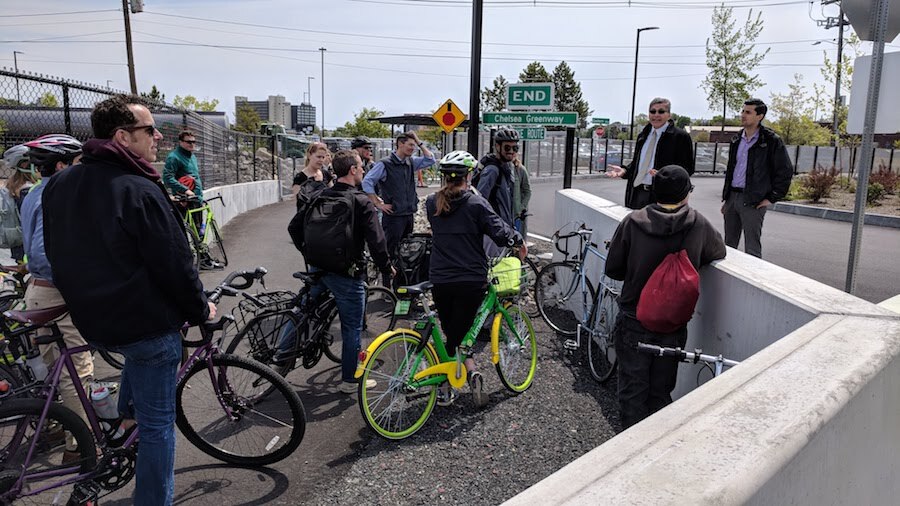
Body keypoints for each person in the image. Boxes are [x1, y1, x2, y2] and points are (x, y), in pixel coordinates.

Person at [42, 95, 215, 506]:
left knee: (138, 387)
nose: (158, 137)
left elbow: (55, 251)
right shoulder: (139, 188)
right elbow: (175, 264)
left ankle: (121, 433)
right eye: (149, 130)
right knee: (159, 426)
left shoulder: (61, 183)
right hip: (145, 324)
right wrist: (200, 309)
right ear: (122, 136)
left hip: (94, 321)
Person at [605, 165, 726, 430]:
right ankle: (653, 449)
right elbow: (718, 252)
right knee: (660, 393)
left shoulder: (633, 222)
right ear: (686, 194)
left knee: (632, 392)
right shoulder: (698, 223)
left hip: (634, 317)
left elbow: (612, 269)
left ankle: (628, 451)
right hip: (672, 323)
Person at [425, 150, 526, 408]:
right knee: (459, 335)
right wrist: (519, 241)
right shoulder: (475, 204)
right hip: (470, 279)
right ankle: (449, 381)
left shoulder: (430, 202)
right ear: (468, 176)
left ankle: (463, 375)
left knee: (455, 332)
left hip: (440, 278)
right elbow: (500, 231)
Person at [19, 134, 97, 464]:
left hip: (37, 291)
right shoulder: (56, 194)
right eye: (77, 163)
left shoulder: (33, 193)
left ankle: (52, 425)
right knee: (77, 370)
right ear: (63, 165)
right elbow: (42, 252)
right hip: (58, 290)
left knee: (50, 366)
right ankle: (79, 445)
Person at [302, 149, 394, 393]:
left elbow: (294, 226)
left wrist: (309, 254)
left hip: (317, 265)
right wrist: (386, 267)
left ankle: (280, 354)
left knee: (302, 307)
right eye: (361, 167)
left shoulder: (321, 195)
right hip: (345, 272)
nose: (363, 170)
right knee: (352, 326)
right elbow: (377, 241)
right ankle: (350, 380)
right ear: (353, 170)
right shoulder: (361, 200)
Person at [721, 98, 793, 258]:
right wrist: (727, 199)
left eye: (748, 112)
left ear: (760, 116)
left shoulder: (770, 141)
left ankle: (752, 281)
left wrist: (772, 198)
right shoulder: (737, 139)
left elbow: (785, 170)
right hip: (733, 198)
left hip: (754, 201)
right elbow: (732, 169)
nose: (743, 115)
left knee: (752, 250)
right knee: (728, 247)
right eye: (742, 111)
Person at [607, 98, 695, 209]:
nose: (656, 115)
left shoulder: (680, 137)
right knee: (635, 225)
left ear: (669, 115)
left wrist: (665, 176)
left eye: (661, 111)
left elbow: (687, 169)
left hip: (663, 198)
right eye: (652, 111)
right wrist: (624, 171)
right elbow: (638, 164)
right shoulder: (643, 135)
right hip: (637, 193)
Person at [362, 131, 435, 254]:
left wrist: (418, 141)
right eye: (410, 145)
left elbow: (430, 159)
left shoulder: (410, 162)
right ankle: (387, 271)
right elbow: (367, 182)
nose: (413, 148)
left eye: (414, 145)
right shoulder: (385, 164)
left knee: (405, 250)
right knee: (391, 249)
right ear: (400, 144)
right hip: (393, 217)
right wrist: (377, 203)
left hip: (408, 214)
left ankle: (401, 272)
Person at [2, 144, 39, 265]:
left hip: (19, 248)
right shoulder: (26, 191)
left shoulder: (14, 187)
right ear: (24, 165)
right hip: (28, 248)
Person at [476, 128, 518, 229]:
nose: (511, 151)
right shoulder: (492, 170)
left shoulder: (506, 168)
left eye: (515, 148)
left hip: (504, 229)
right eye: (507, 148)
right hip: (494, 232)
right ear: (497, 147)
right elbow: (479, 202)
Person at [162, 130, 203, 200]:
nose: (192, 144)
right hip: (184, 200)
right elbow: (167, 178)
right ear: (180, 142)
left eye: (194, 142)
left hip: (196, 199)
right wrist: (186, 190)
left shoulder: (192, 157)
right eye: (189, 142)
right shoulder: (173, 157)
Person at [511, 152, 532, 237]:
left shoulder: (520, 170)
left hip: (515, 216)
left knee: (515, 242)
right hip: (500, 215)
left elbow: (527, 191)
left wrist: (521, 207)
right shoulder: (497, 169)